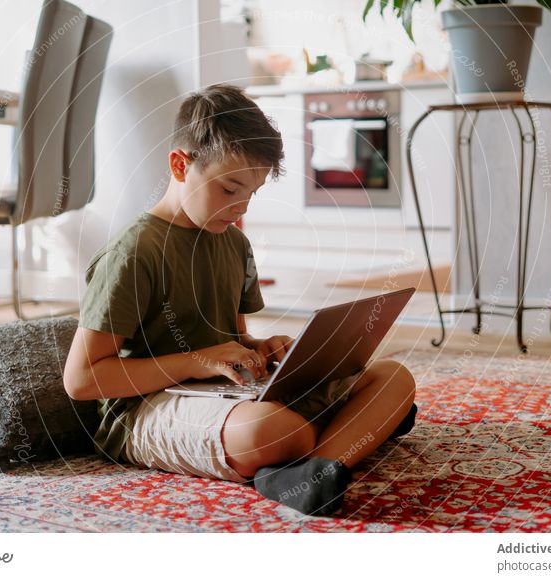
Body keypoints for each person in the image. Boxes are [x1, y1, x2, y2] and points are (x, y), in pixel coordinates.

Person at [63, 84, 417, 517]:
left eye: (252, 192)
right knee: (273, 430)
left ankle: (314, 470)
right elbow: (82, 380)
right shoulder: (134, 253)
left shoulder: (233, 244)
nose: (241, 205)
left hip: (221, 394)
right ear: (180, 165)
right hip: (146, 408)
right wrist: (198, 360)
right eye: (230, 189)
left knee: (393, 377)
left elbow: (233, 337)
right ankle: (340, 436)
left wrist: (263, 350)